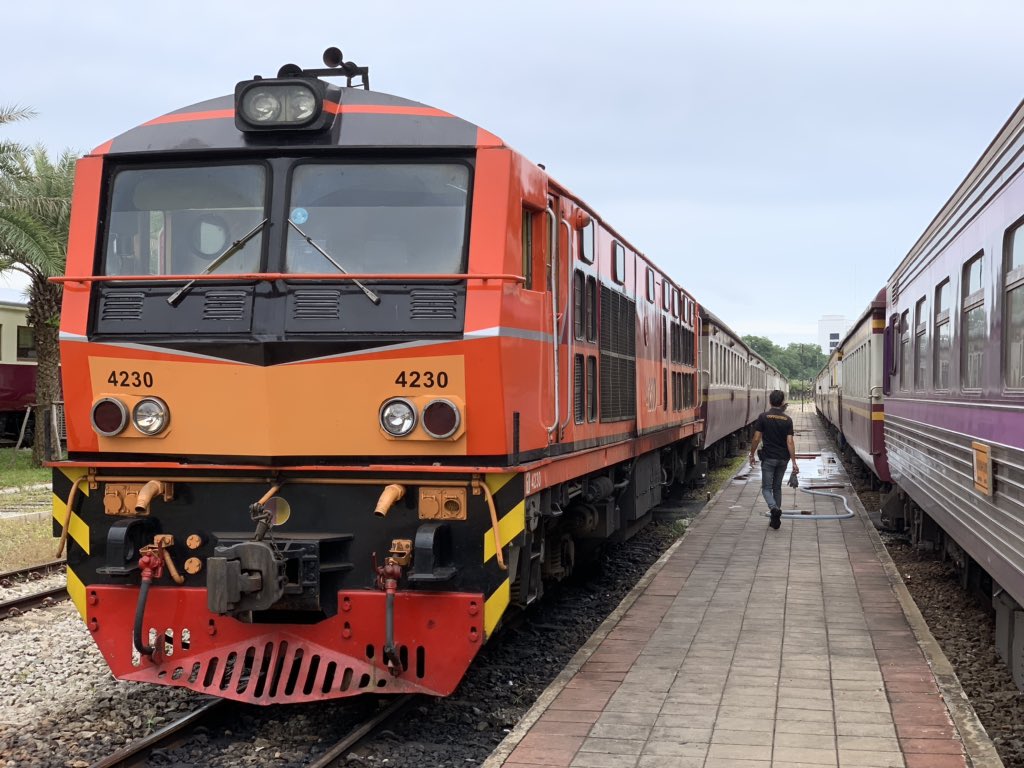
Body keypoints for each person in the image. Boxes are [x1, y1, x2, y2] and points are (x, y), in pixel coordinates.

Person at [748, 389, 798, 530]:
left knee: (766, 488)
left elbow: (757, 438)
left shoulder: (763, 417)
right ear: (782, 402)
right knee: (777, 487)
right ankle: (774, 518)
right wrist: (794, 461)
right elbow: (790, 442)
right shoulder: (788, 420)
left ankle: (774, 508)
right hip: (783, 459)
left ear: (770, 401)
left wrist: (752, 454)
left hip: (769, 458)